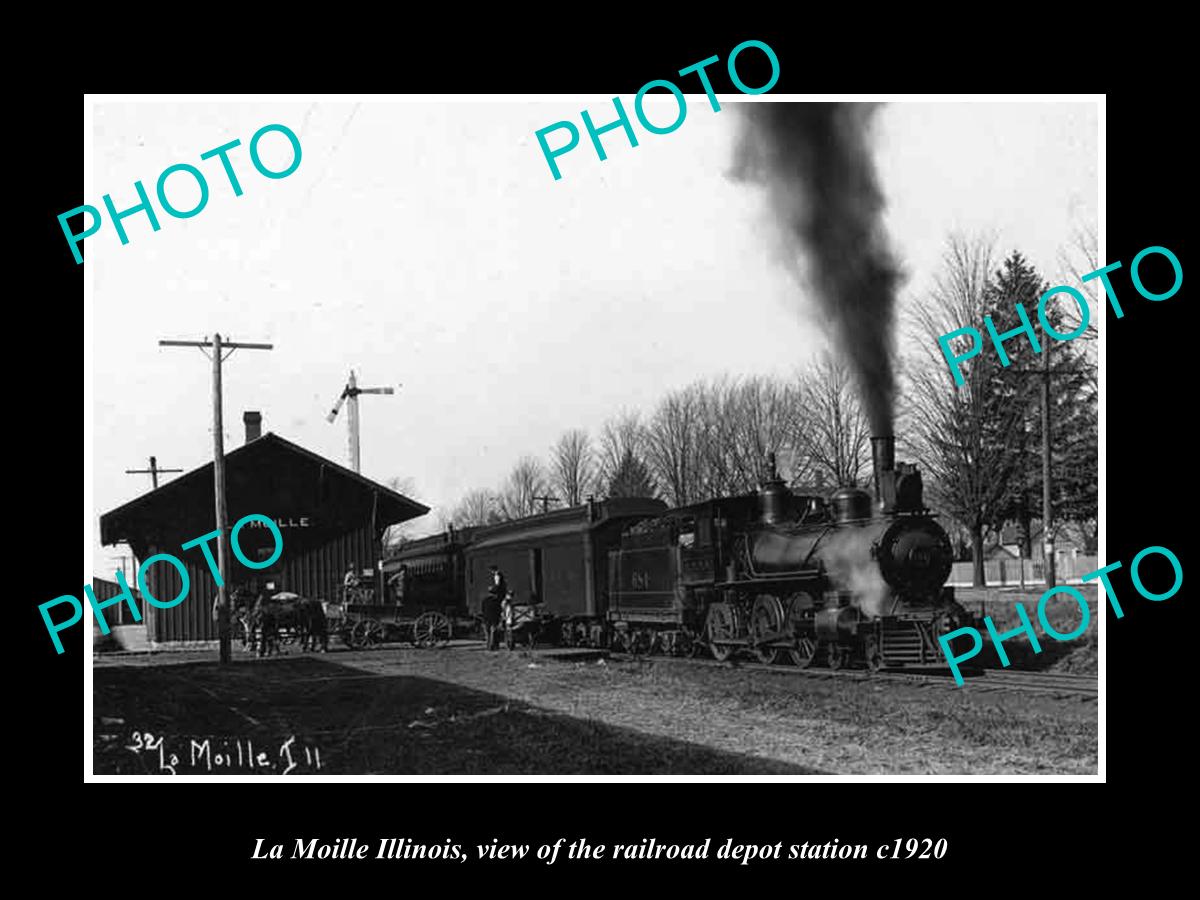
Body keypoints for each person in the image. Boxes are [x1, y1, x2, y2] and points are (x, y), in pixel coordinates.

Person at [481, 564, 506, 651]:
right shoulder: (498, 575)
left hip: (488, 617)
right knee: (492, 630)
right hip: (494, 616)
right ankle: (493, 645)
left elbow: (498, 585)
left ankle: (489, 646)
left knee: (489, 631)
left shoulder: (497, 575)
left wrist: (493, 588)